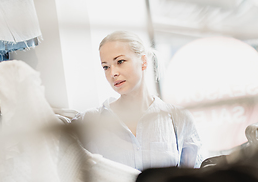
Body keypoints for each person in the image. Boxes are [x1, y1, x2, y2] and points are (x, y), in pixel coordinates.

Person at [73, 30, 202, 171]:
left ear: (143, 62)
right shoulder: (91, 120)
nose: (113, 73)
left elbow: (191, 178)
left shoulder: (178, 118)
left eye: (120, 61)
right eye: (106, 66)